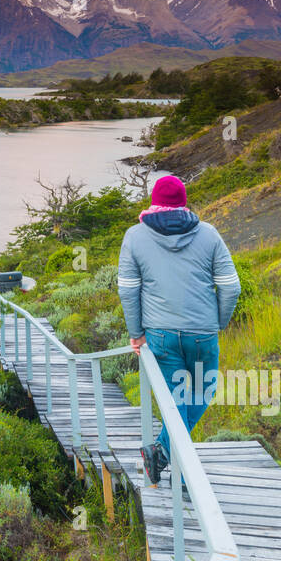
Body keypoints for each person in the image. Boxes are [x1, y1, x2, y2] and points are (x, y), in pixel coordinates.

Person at [117, 175, 240, 486]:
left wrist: (136, 332)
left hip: (159, 335)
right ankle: (174, 469)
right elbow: (230, 287)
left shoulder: (135, 236)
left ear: (153, 202)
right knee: (201, 392)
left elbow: (128, 290)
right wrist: (218, 323)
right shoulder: (209, 234)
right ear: (183, 203)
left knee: (177, 402)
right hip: (202, 333)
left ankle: (162, 454)